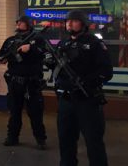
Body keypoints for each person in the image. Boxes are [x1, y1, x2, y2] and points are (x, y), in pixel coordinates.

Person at [48, 10, 113, 166]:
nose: (69, 23)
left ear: (83, 24)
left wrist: (86, 82)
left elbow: (106, 72)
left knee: (93, 142)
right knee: (66, 140)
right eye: (67, 21)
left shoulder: (94, 43)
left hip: (87, 101)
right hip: (66, 101)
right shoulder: (64, 43)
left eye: (74, 21)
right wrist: (50, 63)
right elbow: (59, 69)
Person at [0, 15, 48, 149]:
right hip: (15, 81)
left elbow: (45, 53)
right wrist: (3, 58)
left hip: (32, 82)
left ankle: (40, 139)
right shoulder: (11, 40)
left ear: (28, 24)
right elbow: (1, 55)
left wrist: (30, 49)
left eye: (21, 22)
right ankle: (12, 136)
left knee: (35, 112)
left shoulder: (37, 39)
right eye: (18, 22)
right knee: (14, 111)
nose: (18, 24)